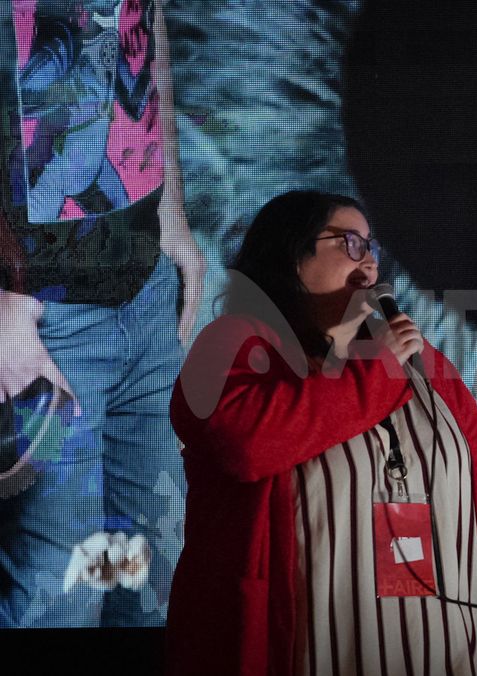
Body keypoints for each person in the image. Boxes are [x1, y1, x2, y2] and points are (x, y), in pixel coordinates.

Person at [165, 190, 477, 676]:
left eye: (371, 248)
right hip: (312, 647)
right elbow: (247, 445)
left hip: (440, 643)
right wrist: (376, 373)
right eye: (350, 243)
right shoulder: (232, 344)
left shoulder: (422, 361)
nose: (369, 263)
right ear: (292, 253)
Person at [0, 0, 203, 627]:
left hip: (143, 292)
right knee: (57, 592)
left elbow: (144, 21)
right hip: (38, 321)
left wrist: (171, 210)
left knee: (150, 573)